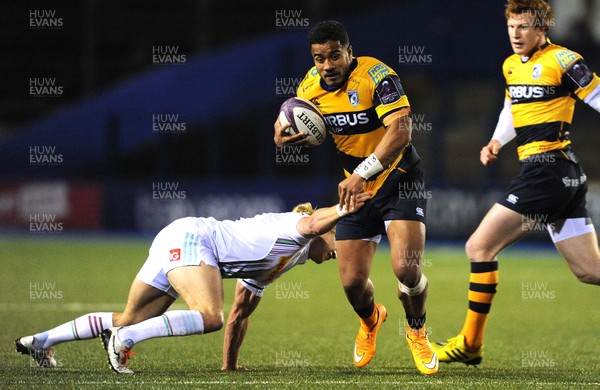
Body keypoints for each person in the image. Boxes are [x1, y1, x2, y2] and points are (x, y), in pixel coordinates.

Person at [15, 194, 371, 374]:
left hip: (180, 239)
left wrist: (229, 366)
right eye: (341, 239)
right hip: (193, 240)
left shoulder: (282, 261)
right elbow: (311, 223)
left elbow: (240, 313)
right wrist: (346, 208)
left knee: (129, 317)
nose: (341, 252)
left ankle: (40, 342)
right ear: (327, 230)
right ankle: (123, 341)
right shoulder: (297, 228)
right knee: (207, 315)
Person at [433, 0, 600, 365]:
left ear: (543, 28)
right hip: (562, 176)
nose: (516, 34)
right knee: (590, 271)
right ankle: (471, 344)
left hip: (548, 171)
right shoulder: (511, 66)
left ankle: (470, 344)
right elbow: (513, 107)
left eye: (524, 27)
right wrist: (496, 140)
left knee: (479, 247)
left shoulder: (563, 61)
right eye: (511, 26)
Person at [274, 20, 438, 375]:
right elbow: (288, 115)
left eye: (335, 55)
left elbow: (402, 130)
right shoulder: (309, 86)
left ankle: (417, 330)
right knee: (351, 283)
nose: (328, 65)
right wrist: (280, 131)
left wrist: (363, 173)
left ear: (349, 52)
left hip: (399, 178)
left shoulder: (377, 76)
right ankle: (371, 320)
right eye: (320, 58)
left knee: (407, 270)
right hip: (357, 188)